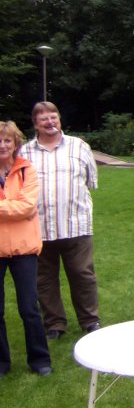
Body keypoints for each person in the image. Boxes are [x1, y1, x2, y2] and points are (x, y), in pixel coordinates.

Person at [21, 102, 100, 339]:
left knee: (82, 275)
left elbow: (90, 181)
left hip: (75, 224)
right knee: (44, 279)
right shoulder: (24, 153)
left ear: (59, 119)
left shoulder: (79, 146)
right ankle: (54, 324)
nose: (50, 122)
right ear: (35, 124)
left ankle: (90, 321)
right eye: (43, 119)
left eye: (53, 117)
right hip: (39, 227)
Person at [0, 120, 52, 376]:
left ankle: (40, 360)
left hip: (24, 249)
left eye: (7, 140)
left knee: (29, 308)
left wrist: (17, 208)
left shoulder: (26, 170)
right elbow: (20, 208)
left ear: (15, 143)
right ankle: (2, 363)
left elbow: (28, 206)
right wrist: (16, 208)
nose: (2, 145)